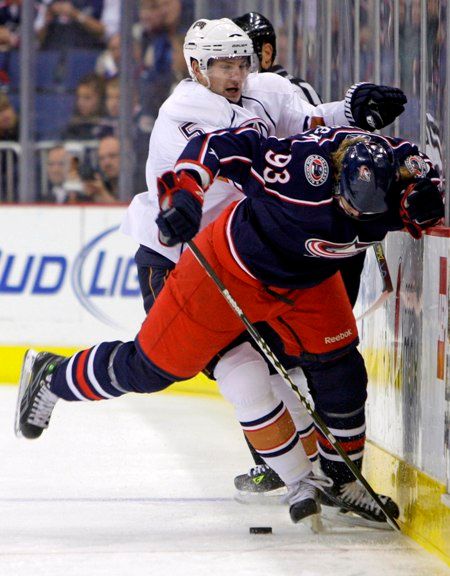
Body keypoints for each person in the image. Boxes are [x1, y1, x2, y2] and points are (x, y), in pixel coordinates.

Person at [15, 124, 443, 528]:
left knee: (340, 364)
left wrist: (427, 202)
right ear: (335, 180)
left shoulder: (407, 168)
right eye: (347, 204)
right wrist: (185, 192)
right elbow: (217, 145)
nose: (354, 215)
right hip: (229, 269)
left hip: (310, 278)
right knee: (154, 368)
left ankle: (341, 480)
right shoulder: (298, 169)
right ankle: (53, 376)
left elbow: (434, 183)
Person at [120, 17, 406, 506]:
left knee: (291, 368)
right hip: (178, 258)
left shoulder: (267, 90)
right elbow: (256, 167)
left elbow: (310, 124)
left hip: (247, 256)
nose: (235, 74)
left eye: (241, 63)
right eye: (222, 65)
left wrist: (352, 109)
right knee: (240, 372)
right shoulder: (181, 112)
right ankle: (296, 475)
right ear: (196, 67)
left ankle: (313, 478)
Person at [231, 11, 368, 498]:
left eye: (242, 51)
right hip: (272, 244)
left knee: (309, 354)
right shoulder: (223, 101)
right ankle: (302, 461)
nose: (231, 65)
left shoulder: (288, 93)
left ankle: (329, 466)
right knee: (267, 355)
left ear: (265, 53)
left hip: (311, 246)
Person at [63, 73, 105, 140]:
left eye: (87, 97)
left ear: (101, 99)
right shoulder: (73, 128)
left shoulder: (109, 128)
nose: (80, 103)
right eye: (78, 97)